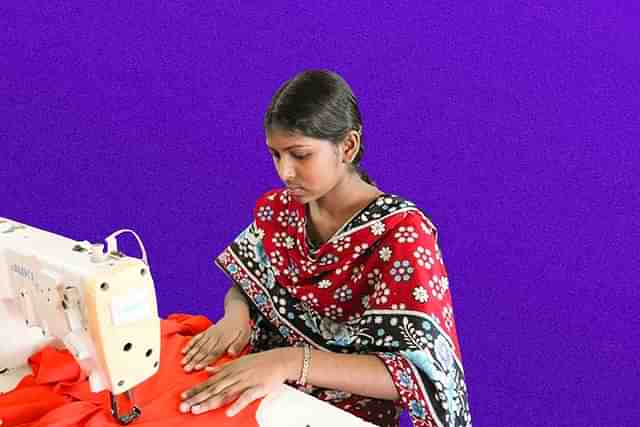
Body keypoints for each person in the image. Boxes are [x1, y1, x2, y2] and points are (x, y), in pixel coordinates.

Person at [178, 70, 472, 427]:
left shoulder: (401, 235)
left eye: (300, 155)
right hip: (265, 388)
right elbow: (249, 285)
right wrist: (236, 317)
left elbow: (418, 374)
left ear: (347, 146)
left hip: (337, 415)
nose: (285, 172)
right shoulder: (282, 210)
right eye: (275, 155)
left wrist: (289, 361)